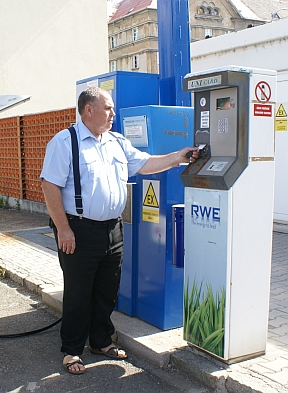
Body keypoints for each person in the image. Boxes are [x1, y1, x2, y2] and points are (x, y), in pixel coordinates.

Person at [40, 87, 199, 375]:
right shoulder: (65, 142)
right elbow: (49, 185)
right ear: (89, 110)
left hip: (113, 228)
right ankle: (72, 350)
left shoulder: (116, 142)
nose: (114, 113)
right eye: (109, 108)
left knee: (107, 290)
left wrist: (179, 157)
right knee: (78, 293)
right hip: (78, 230)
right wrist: (63, 229)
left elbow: (145, 163)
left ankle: (100, 341)